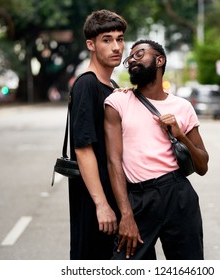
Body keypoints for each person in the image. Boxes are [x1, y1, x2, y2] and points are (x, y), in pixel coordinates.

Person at [104, 40, 209, 260]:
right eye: (130, 57)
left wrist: (180, 134)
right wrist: (126, 214)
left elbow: (202, 166)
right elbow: (114, 161)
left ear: (159, 60)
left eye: (140, 54)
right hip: (139, 199)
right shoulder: (117, 102)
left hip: (178, 195)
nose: (132, 59)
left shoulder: (182, 107)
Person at [67, 9, 127, 260]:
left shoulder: (111, 86)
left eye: (120, 39)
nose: (116, 47)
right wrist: (101, 205)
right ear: (91, 44)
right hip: (95, 204)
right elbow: (83, 148)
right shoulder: (86, 85)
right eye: (107, 40)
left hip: (115, 196)